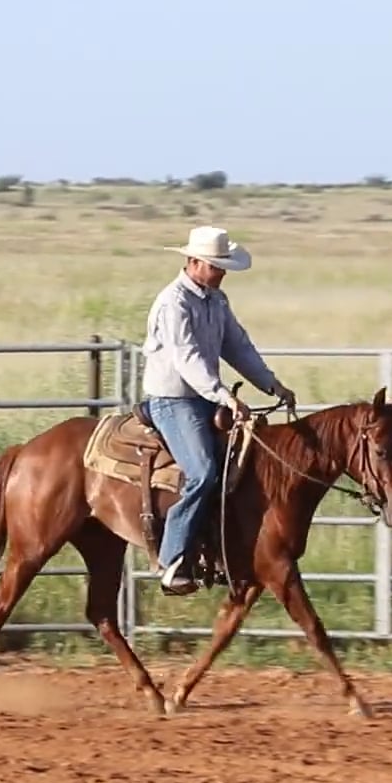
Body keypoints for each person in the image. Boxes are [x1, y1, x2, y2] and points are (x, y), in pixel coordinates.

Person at [138, 225, 297, 595]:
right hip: (173, 400)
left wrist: (271, 384)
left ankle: (222, 551)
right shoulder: (174, 303)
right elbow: (187, 359)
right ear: (193, 262)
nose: (222, 273)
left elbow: (237, 346)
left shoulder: (216, 301)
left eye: (223, 266)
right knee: (204, 472)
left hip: (205, 397)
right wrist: (224, 395)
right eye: (215, 266)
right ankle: (173, 559)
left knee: (242, 469)